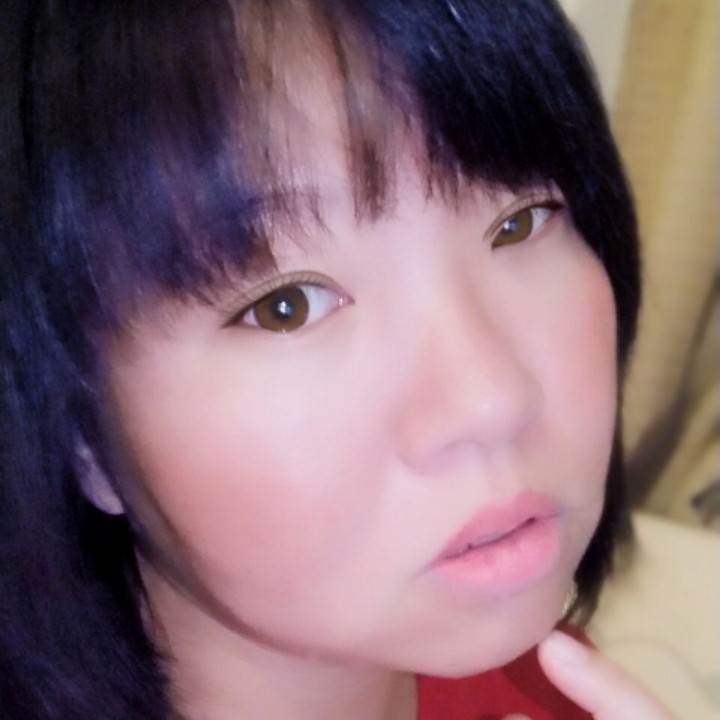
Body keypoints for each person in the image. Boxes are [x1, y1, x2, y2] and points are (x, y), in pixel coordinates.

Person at [0, 1, 676, 718]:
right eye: (286, 306)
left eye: (518, 223)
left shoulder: (548, 690)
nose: (493, 401)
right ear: (78, 434)